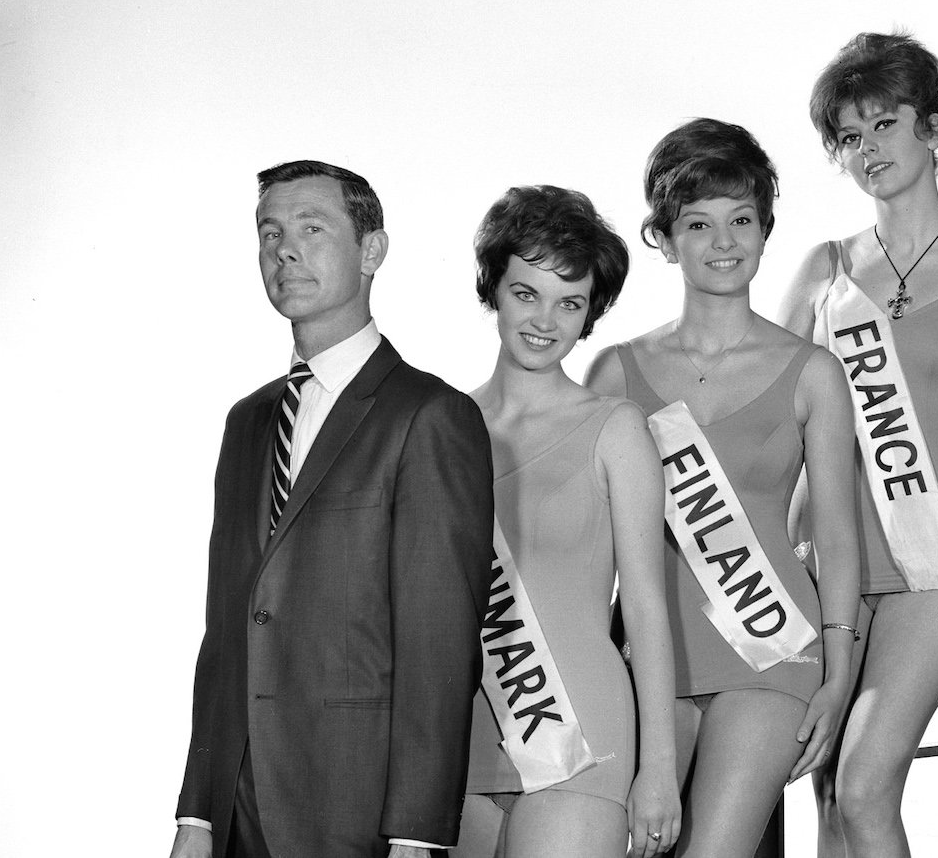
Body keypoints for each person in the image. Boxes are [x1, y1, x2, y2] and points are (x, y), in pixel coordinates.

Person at [170, 161, 494, 858]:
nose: (285, 249)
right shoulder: (248, 422)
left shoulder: (431, 417)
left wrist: (417, 831)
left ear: (371, 250)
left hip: (358, 806)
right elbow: (226, 629)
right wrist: (196, 814)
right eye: (270, 232)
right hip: (238, 805)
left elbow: (440, 643)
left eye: (313, 228)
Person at [777, 32, 938, 857]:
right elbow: (767, 411)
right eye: (849, 137)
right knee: (827, 793)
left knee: (862, 782)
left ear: (931, 125)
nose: (867, 150)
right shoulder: (825, 269)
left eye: (884, 125)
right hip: (831, 554)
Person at [586, 119, 860, 858]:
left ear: (766, 229)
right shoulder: (615, 373)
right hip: (650, 656)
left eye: (741, 219)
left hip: (772, 654)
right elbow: (592, 548)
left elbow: (835, 535)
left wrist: (837, 676)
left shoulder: (812, 372)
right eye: (698, 224)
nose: (724, 241)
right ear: (666, 240)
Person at [452, 185, 680, 858]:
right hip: (461, 744)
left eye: (570, 302)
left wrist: (658, 769)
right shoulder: (442, 429)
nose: (546, 320)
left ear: (590, 315)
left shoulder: (615, 429)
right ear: (494, 287)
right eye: (527, 293)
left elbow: (643, 607)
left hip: (582, 738)